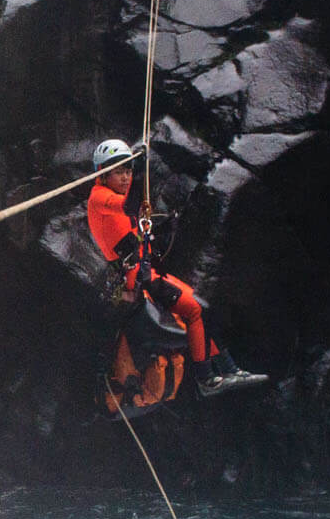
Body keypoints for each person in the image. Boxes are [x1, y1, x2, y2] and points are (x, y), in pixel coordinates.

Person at [86, 138, 265, 401]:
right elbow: (128, 206)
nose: (125, 177)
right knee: (194, 311)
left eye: (127, 171)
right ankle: (207, 377)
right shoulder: (99, 196)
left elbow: (134, 220)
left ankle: (228, 368)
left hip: (146, 271)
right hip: (136, 277)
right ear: (103, 174)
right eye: (118, 172)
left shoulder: (117, 197)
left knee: (200, 309)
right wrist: (140, 171)